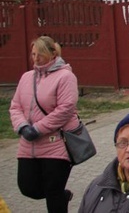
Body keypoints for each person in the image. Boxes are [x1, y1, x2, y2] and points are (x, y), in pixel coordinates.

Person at [10, 36, 78, 212]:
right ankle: (63, 195)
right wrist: (23, 126)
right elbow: (15, 106)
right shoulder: (26, 77)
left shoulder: (65, 76)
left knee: (53, 192)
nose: (36, 58)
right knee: (28, 188)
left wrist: (38, 128)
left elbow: (66, 108)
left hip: (56, 145)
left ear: (53, 54)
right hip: (28, 145)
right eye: (33, 54)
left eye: (40, 54)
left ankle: (59, 198)